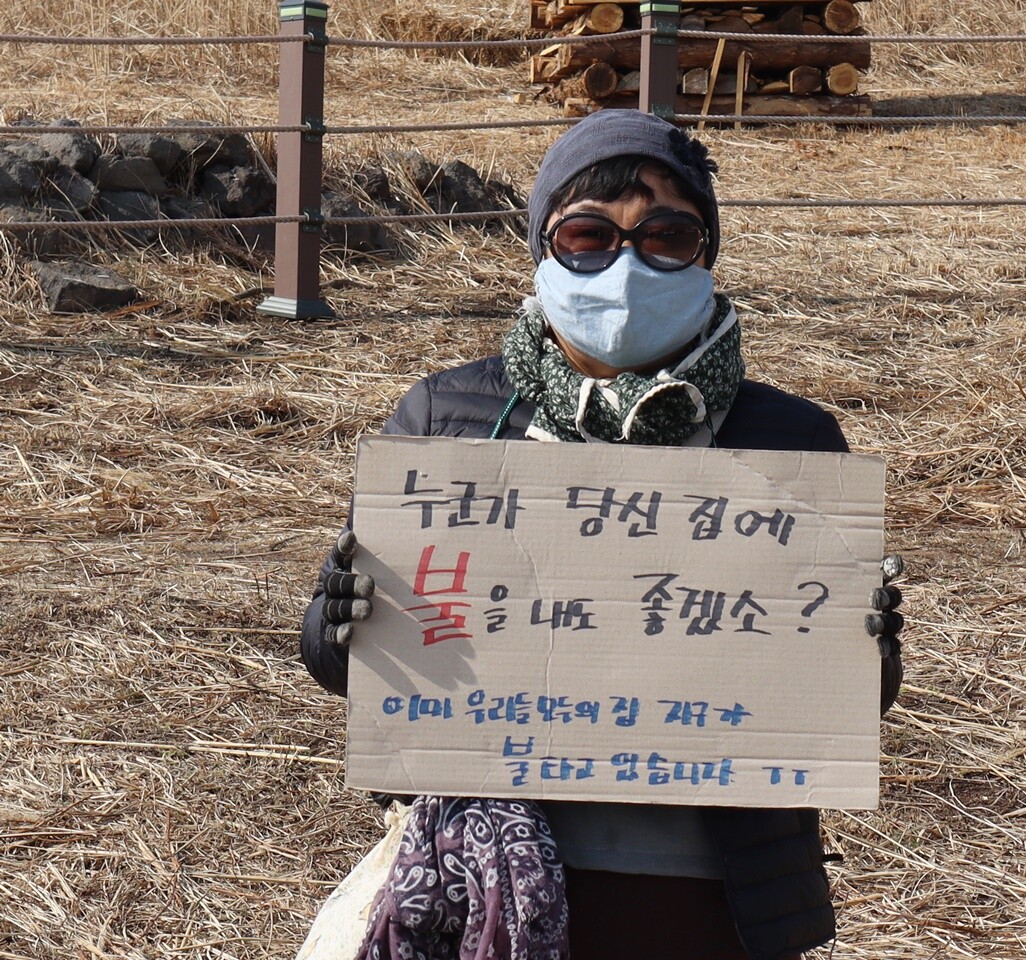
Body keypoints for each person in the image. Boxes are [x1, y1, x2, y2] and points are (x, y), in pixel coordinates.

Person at [299, 109, 905, 960]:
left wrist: (866, 638)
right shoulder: (444, 422)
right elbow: (342, 667)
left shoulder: (792, 442)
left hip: (718, 898)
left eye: (667, 235)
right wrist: (340, 615)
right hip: (490, 883)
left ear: (708, 253)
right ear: (544, 250)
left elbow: (852, 701)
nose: (625, 265)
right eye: (588, 235)